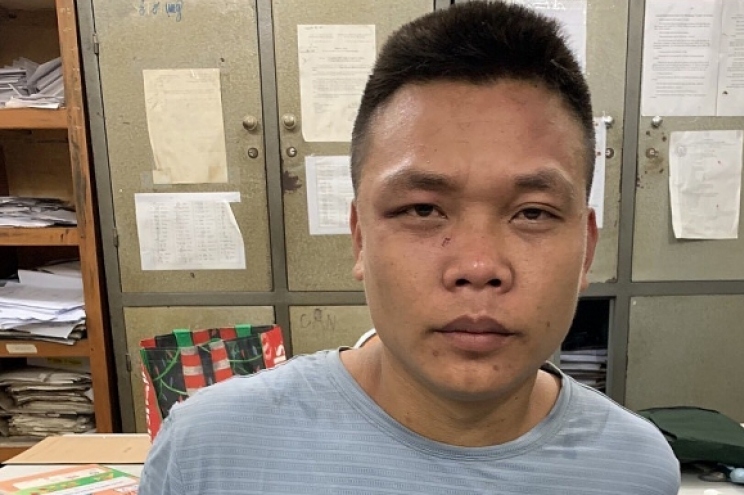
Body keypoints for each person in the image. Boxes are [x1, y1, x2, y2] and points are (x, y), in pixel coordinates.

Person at [139, 2, 680, 493]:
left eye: (533, 213)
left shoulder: (636, 469)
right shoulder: (209, 453)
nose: (478, 266)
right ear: (359, 238)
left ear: (586, 249)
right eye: (422, 210)